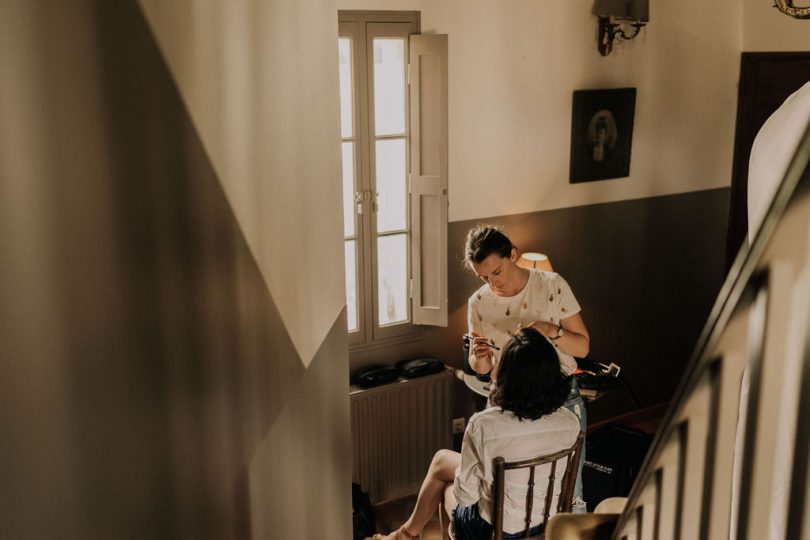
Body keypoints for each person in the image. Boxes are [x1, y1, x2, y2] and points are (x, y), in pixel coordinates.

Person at [370, 328, 581, 540]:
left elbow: (465, 495)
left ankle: (404, 535)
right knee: (442, 459)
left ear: (508, 376)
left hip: (493, 532)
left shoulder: (484, 425)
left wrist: (476, 473)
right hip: (547, 523)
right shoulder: (570, 421)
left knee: (447, 488)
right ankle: (404, 534)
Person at [463, 224, 590, 509]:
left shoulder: (552, 285)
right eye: (483, 277)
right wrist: (479, 358)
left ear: (513, 254)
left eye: (496, 272)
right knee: (505, 496)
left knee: (571, 491)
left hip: (560, 397)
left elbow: (582, 347)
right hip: (504, 399)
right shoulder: (479, 302)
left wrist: (550, 330)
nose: (493, 283)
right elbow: (481, 367)